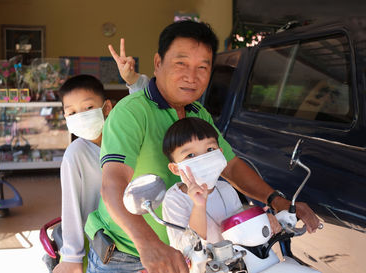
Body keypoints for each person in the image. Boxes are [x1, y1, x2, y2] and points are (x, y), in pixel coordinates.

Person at [85, 20, 320, 273]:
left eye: (202, 67)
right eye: (181, 64)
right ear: (158, 63)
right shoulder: (131, 113)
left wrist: (276, 201)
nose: (192, 76)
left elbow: (231, 165)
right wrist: (148, 244)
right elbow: (113, 184)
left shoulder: (198, 114)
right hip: (131, 256)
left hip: (191, 254)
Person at [53, 74, 143, 273]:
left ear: (107, 108)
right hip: (102, 246)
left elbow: (144, 108)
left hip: (133, 237)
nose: (81, 116)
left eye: (88, 108)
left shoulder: (126, 142)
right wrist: (72, 257)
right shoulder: (75, 154)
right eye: (72, 112)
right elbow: (71, 209)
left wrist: (134, 81)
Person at [161, 117, 281, 252]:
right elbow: (187, 249)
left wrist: (260, 218)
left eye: (210, 149)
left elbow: (238, 224)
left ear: (220, 153)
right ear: (176, 169)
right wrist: (199, 206)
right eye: (190, 155)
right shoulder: (175, 199)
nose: (203, 159)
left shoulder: (226, 189)